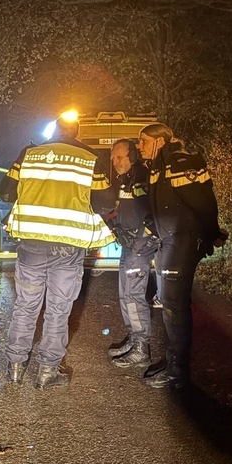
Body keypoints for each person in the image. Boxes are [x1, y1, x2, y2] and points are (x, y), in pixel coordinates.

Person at [0, 110, 113, 389]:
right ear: (77, 133)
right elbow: (106, 203)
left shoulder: (29, 153)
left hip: (31, 244)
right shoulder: (89, 158)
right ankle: (48, 371)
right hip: (67, 245)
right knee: (58, 310)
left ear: (53, 132)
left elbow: (5, 194)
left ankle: (15, 366)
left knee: (25, 305)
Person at [136, 124, 226, 388]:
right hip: (168, 240)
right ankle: (172, 360)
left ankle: (178, 371)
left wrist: (211, 233)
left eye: (143, 141)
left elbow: (203, 202)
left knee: (174, 305)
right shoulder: (157, 166)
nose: (139, 146)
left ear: (159, 141)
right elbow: (157, 204)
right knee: (167, 302)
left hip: (183, 240)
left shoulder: (181, 161)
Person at [95, 138, 157, 369]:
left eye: (119, 157)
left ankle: (142, 349)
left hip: (139, 247)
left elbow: (152, 210)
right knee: (125, 295)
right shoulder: (126, 180)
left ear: (132, 156)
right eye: (112, 157)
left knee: (133, 296)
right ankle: (134, 340)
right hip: (129, 245)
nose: (114, 161)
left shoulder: (143, 177)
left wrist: (143, 236)